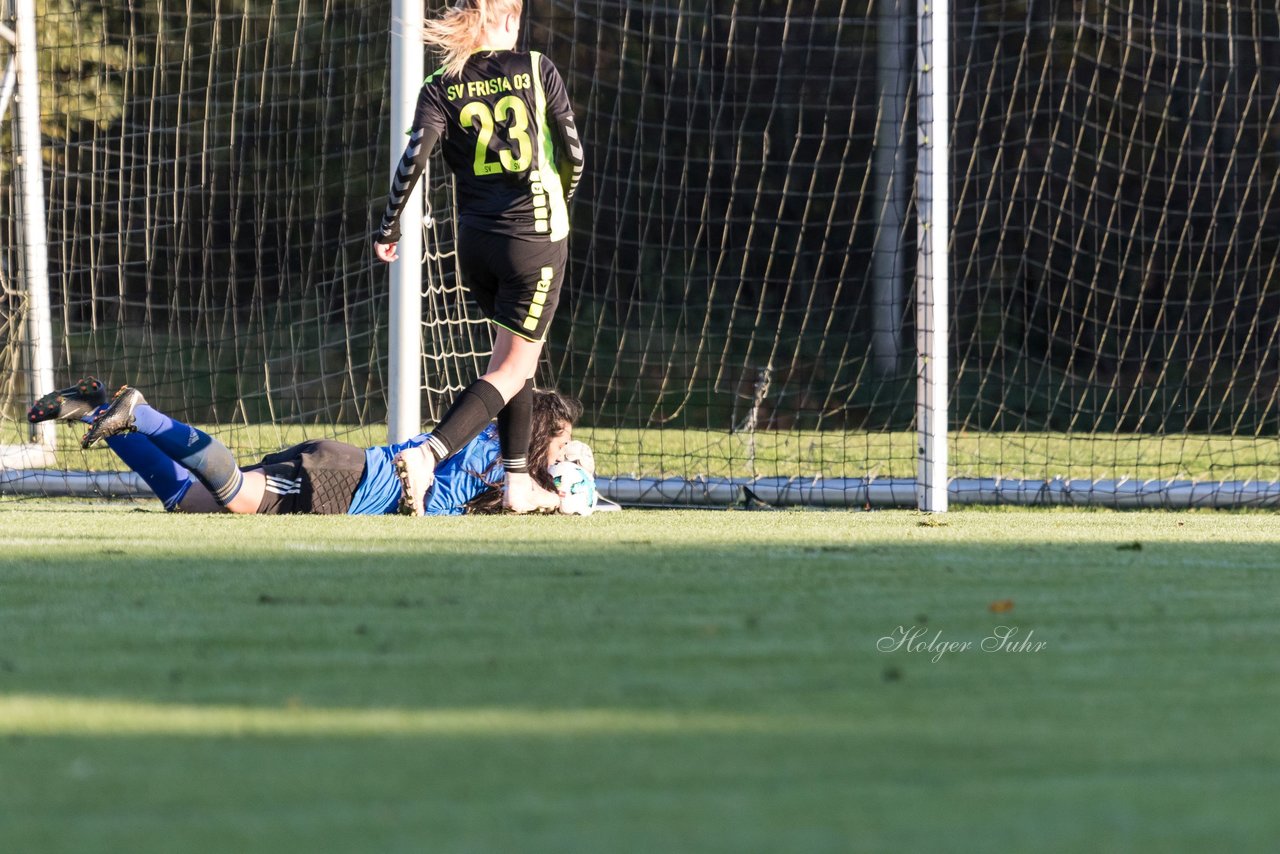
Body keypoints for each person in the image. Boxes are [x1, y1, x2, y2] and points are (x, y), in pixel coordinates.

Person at [373, 0, 584, 516]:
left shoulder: (440, 85)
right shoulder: (537, 68)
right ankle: (428, 456)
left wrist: (389, 224)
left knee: (513, 364)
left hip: (476, 246)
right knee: (514, 369)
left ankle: (515, 484)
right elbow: (574, 154)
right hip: (534, 242)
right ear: (509, 19)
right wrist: (560, 198)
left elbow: (413, 159)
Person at [29, 379, 581, 516]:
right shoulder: (508, 476)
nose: (565, 455)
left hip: (344, 464)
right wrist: (566, 498)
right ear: (537, 434)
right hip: (347, 481)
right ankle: (142, 413)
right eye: (563, 443)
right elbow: (523, 497)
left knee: (189, 501)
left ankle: (102, 410)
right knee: (239, 496)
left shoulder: (486, 441)